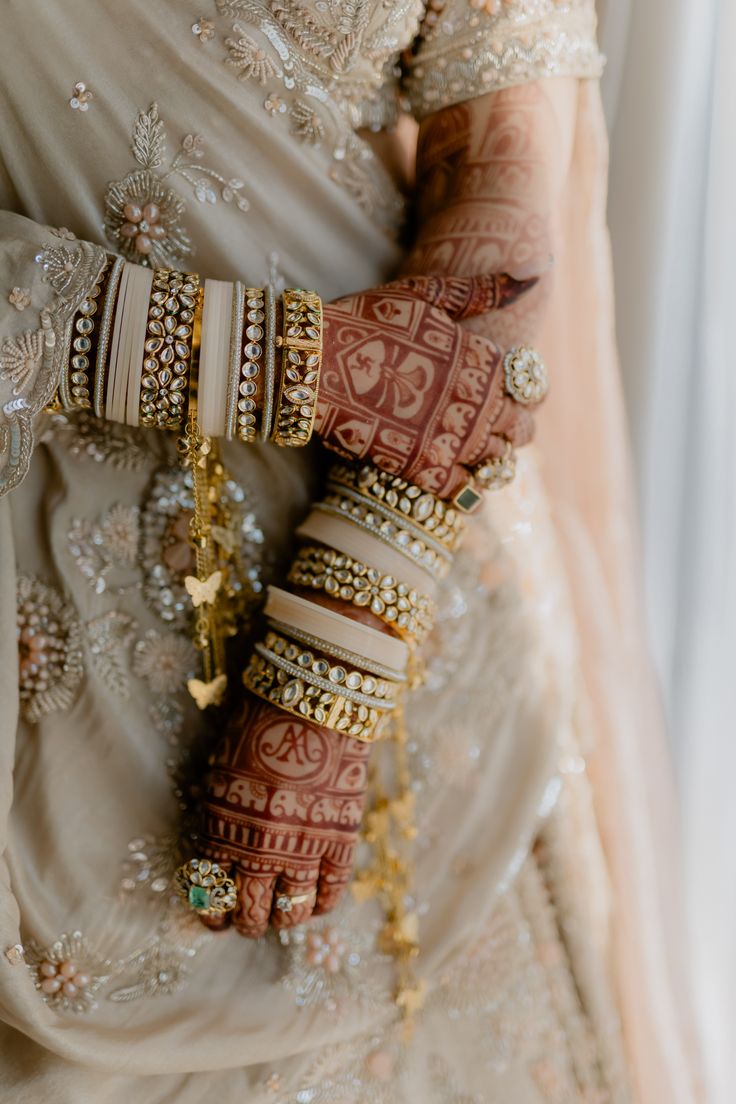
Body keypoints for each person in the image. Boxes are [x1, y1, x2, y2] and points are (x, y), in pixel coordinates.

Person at [0, 2, 699, 1101]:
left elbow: (507, 197)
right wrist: (291, 365)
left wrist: (333, 670)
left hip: (422, 662)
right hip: (50, 729)